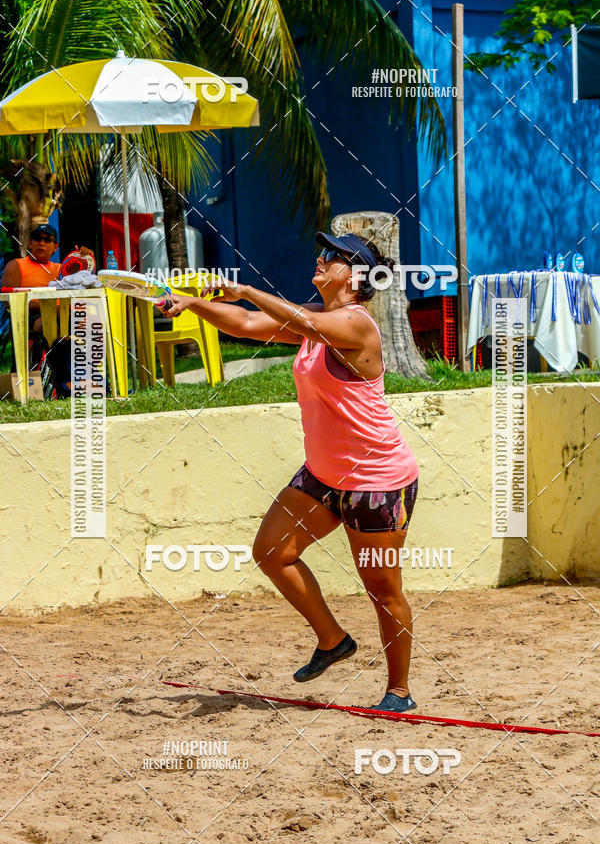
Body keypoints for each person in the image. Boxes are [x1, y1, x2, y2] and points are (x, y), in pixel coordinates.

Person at [161, 232, 420, 713]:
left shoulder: (356, 326)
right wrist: (194, 303)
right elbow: (244, 324)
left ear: (356, 276)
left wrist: (246, 288)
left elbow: (284, 315)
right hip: (323, 476)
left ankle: (399, 691)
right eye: (321, 253)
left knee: (383, 590)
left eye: (333, 257)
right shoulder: (314, 321)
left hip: (376, 481)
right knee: (272, 553)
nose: (320, 260)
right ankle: (333, 639)